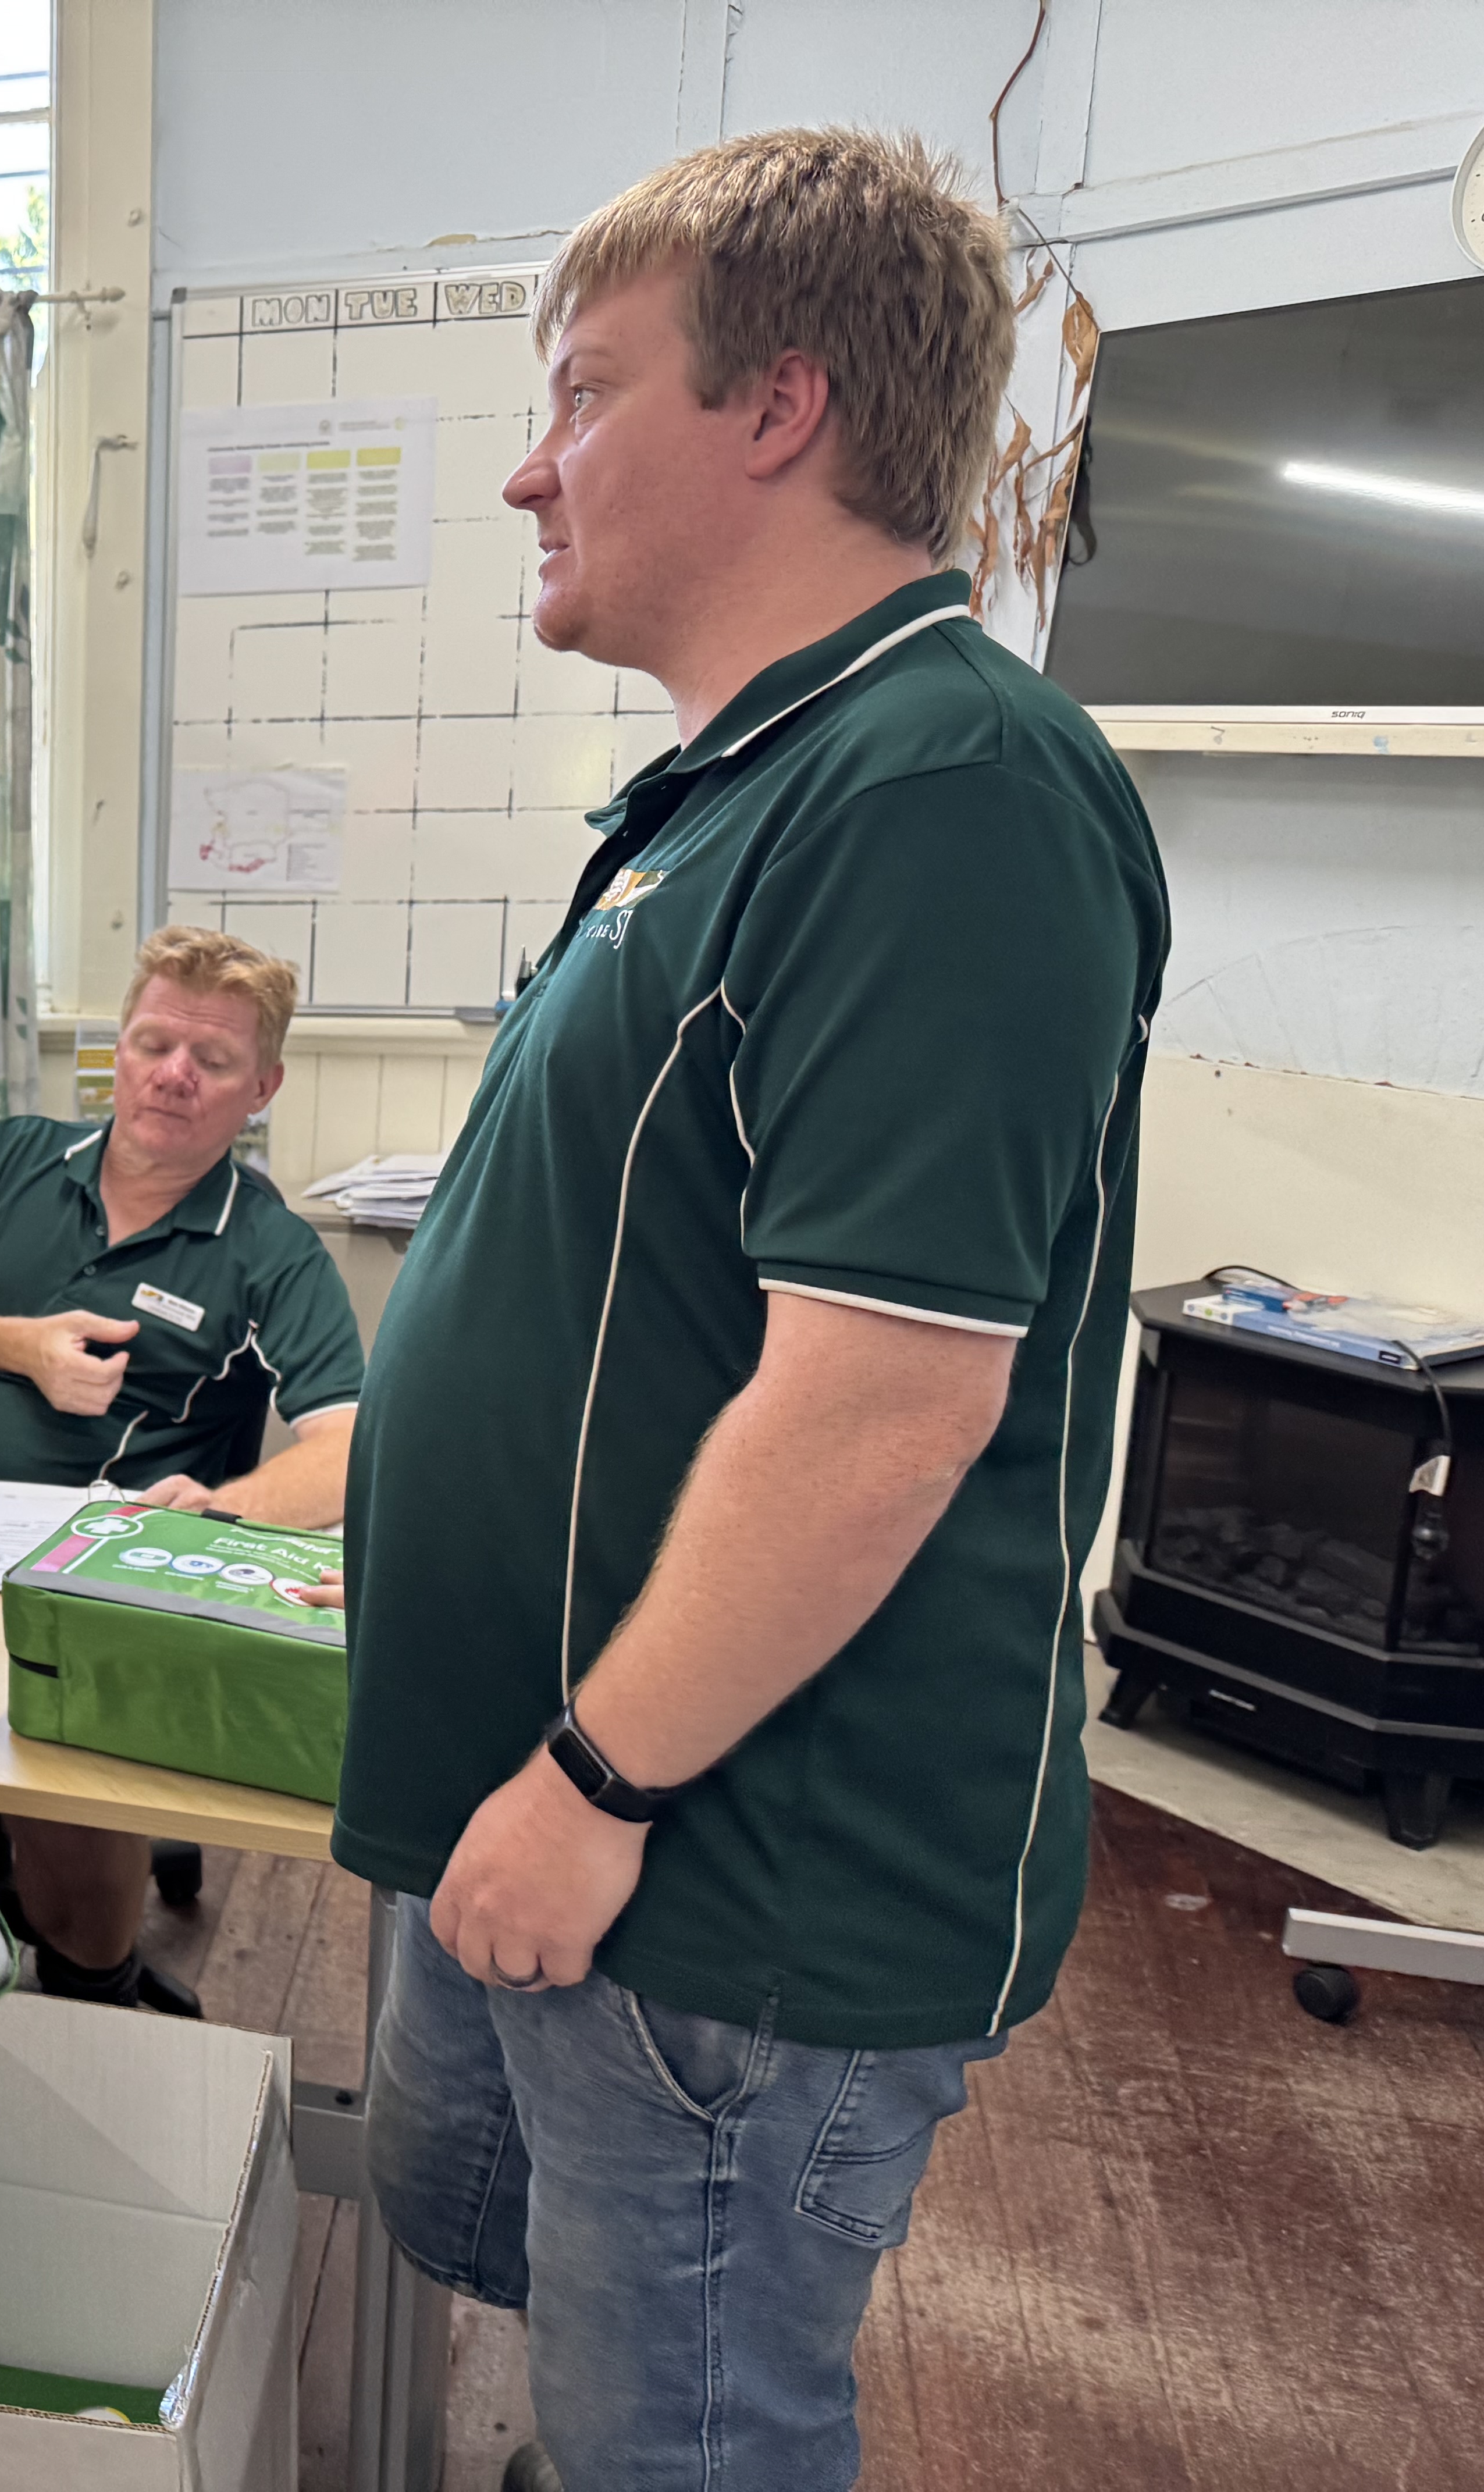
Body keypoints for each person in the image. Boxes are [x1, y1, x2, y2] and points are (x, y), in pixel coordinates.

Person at [316, 130, 1169, 2490]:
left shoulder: (944, 786)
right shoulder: (741, 784)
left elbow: (888, 1403)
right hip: (567, 1806)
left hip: (716, 1867)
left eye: (585, 391)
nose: (528, 466)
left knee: (690, 2442)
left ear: (777, 407)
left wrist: (602, 1776)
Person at [0, 926, 363, 2017]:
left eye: (212, 1061)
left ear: (260, 1086)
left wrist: (221, 1509)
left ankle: (92, 1982)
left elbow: (353, 1450)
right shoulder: (14, 1157)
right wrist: (19, 1344)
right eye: (152, 1043)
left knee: (61, 1762)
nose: (173, 1075)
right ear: (117, 1050)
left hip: (79, 1555)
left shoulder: (269, 1247)